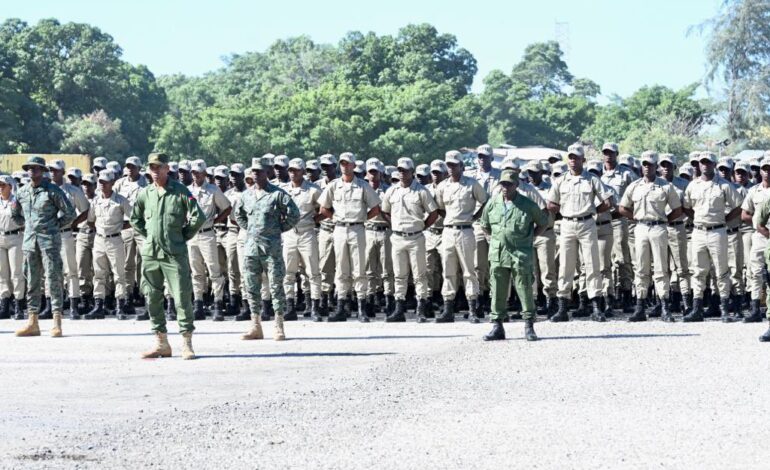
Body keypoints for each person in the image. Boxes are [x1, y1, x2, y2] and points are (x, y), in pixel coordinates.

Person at [130, 152, 205, 360]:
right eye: (152, 168)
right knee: (152, 297)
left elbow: (198, 216)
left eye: (159, 167)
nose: (155, 171)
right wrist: (150, 236)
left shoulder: (180, 191)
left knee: (181, 297)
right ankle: (161, 342)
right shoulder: (145, 193)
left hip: (174, 253)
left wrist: (183, 236)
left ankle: (187, 343)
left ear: (166, 169)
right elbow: (135, 219)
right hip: (151, 254)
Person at [546, 144, 613, 322]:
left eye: (576, 158)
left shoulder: (591, 179)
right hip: (567, 224)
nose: (573, 161)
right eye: (570, 157)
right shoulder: (560, 180)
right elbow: (551, 203)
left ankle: (596, 307)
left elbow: (608, 201)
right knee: (565, 266)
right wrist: (565, 211)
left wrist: (593, 210)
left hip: (587, 223)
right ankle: (562, 307)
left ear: (583, 160)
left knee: (592, 264)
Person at [12, 155, 76, 338]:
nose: (33, 171)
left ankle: (57, 322)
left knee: (53, 278)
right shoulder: (22, 192)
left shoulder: (52, 190)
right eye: (30, 168)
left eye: (36, 168)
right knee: (32, 280)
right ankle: (33, 322)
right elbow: (15, 214)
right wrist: (26, 226)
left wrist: (55, 226)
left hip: (49, 241)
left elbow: (69, 213)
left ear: (43, 171)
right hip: (30, 242)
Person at [480, 170, 548, 341]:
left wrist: (529, 238)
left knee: (525, 289)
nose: (505, 187)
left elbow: (543, 223)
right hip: (498, 253)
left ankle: (529, 326)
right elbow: (485, 225)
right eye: (503, 184)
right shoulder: (493, 203)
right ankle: (497, 326)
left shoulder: (527, 204)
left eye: (509, 184)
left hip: (520, 253)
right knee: (497, 290)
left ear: (517, 185)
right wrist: (494, 240)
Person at [237, 157, 300, 341]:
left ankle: (279, 325)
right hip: (250, 247)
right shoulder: (246, 195)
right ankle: (255, 325)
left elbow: (294, 214)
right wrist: (249, 229)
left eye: (259, 171)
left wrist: (279, 229)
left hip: (271, 247)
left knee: (275, 285)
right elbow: (238, 214)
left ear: (267, 173)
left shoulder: (277, 194)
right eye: (253, 172)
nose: (256, 175)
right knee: (251, 285)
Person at [618, 151, 683, 322]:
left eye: (650, 164)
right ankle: (640, 306)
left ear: (656, 167)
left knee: (661, 268)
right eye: (644, 164)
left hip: (659, 228)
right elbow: (623, 207)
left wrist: (663, 220)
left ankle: (664, 306)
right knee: (640, 268)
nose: (647, 167)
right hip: (640, 228)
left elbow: (677, 209)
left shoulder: (665, 186)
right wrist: (637, 217)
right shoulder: (634, 186)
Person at [318, 152, 381, 322]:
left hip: (358, 229)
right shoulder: (333, 185)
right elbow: (323, 208)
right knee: (341, 268)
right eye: (342, 164)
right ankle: (341, 307)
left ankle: (361, 308)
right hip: (339, 229)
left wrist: (362, 219)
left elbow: (376, 208)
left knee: (359, 268)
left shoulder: (362, 186)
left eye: (348, 164)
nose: (345, 166)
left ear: (354, 166)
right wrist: (336, 219)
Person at [681, 151, 742, 322]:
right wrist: (697, 220)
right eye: (702, 162)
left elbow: (739, 206)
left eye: (709, 162)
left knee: (721, 271)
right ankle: (697, 309)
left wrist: (726, 219)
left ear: (714, 165)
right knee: (698, 271)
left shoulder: (723, 185)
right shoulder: (693, 185)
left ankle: (724, 310)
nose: (705, 165)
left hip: (718, 231)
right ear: (699, 165)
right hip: (699, 231)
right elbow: (686, 206)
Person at [380, 157, 439, 322]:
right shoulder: (392, 191)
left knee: (420, 274)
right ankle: (399, 309)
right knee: (399, 274)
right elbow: (384, 210)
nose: (401, 173)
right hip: (397, 237)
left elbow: (433, 213)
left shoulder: (421, 191)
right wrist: (393, 224)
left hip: (416, 237)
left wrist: (422, 226)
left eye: (405, 170)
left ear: (412, 172)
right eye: (399, 170)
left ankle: (421, 308)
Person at [433, 150, 488, 323]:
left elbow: (486, 202)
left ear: (462, 166)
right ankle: (448, 308)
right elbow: (439, 207)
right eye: (448, 165)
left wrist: (474, 216)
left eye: (454, 165)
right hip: (448, 230)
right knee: (448, 271)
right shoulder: (442, 186)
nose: (450, 168)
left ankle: (472, 308)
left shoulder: (472, 184)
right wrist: (449, 218)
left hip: (466, 230)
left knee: (469, 271)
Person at [84, 170, 133, 319]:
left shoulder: (120, 200)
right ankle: (99, 305)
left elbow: (133, 218)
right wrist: (99, 231)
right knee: (98, 274)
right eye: (100, 182)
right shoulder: (95, 201)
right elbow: (91, 221)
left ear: (112, 183)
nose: (102, 185)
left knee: (119, 273)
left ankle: (120, 306)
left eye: (105, 182)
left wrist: (118, 228)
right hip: (99, 239)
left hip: (115, 240)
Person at [187, 160, 231, 320]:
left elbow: (227, 207)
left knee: (214, 270)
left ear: (205, 174)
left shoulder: (213, 190)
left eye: (198, 172)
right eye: (193, 172)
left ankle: (218, 303)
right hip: (192, 236)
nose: (195, 175)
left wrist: (217, 220)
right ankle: (198, 304)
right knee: (196, 271)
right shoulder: (186, 191)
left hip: (207, 234)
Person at [47, 159, 90, 320]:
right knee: (50, 271)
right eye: (51, 170)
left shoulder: (73, 191)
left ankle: (73, 305)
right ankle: (51, 306)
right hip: (49, 234)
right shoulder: (44, 189)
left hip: (65, 233)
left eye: (56, 170)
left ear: (63, 172)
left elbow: (85, 210)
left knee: (71, 270)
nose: (53, 173)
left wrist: (74, 224)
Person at [280, 158, 323, 321]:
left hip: (307, 233)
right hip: (289, 234)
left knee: (312, 272)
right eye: (290, 170)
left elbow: (325, 209)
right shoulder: (283, 190)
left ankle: (314, 308)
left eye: (296, 170)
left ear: (303, 172)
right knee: (288, 272)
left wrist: (313, 220)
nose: (293, 173)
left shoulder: (313, 190)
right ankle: (290, 307)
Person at [466, 144, 500, 315]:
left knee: (495, 263)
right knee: (478, 264)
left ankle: (494, 300)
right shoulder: (470, 177)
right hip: (478, 224)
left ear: (492, 158)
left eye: (485, 157)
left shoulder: (500, 177)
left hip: (496, 225)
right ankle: (479, 299)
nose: (482, 159)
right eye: (479, 156)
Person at [114, 156, 148, 311]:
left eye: (133, 167)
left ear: (139, 168)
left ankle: (144, 294)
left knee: (144, 262)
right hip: (126, 227)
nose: (130, 169)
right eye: (128, 166)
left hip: (142, 227)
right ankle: (127, 295)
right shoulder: (119, 184)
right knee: (127, 263)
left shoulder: (146, 184)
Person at [363, 158, 394, 317]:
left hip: (385, 230)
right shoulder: (362, 189)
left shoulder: (389, 190)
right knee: (369, 269)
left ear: (381, 173)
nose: (373, 175)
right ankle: (369, 302)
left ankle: (389, 302)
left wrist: (381, 212)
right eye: (370, 172)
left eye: (376, 172)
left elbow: (392, 214)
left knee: (387, 269)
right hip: (368, 230)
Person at [740, 160, 770, 323]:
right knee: (755, 272)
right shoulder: (754, 191)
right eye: (764, 169)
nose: (767, 172)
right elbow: (744, 214)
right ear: (760, 171)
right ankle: (755, 308)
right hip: (759, 236)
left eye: (769, 169)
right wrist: (759, 225)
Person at [224, 163, 251, 321]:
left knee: (244, 269)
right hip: (231, 232)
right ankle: (235, 301)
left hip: (245, 231)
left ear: (243, 176)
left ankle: (247, 304)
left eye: (237, 175)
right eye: (231, 175)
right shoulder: (227, 194)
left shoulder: (249, 193)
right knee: (232, 268)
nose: (233, 178)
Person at [0, 175, 25, 319]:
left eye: (3, 185)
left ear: (10, 186)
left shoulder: (16, 201)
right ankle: (4, 304)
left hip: (15, 237)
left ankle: (18, 305)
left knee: (16, 273)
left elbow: (24, 219)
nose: (1, 188)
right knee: (2, 274)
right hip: (0, 237)